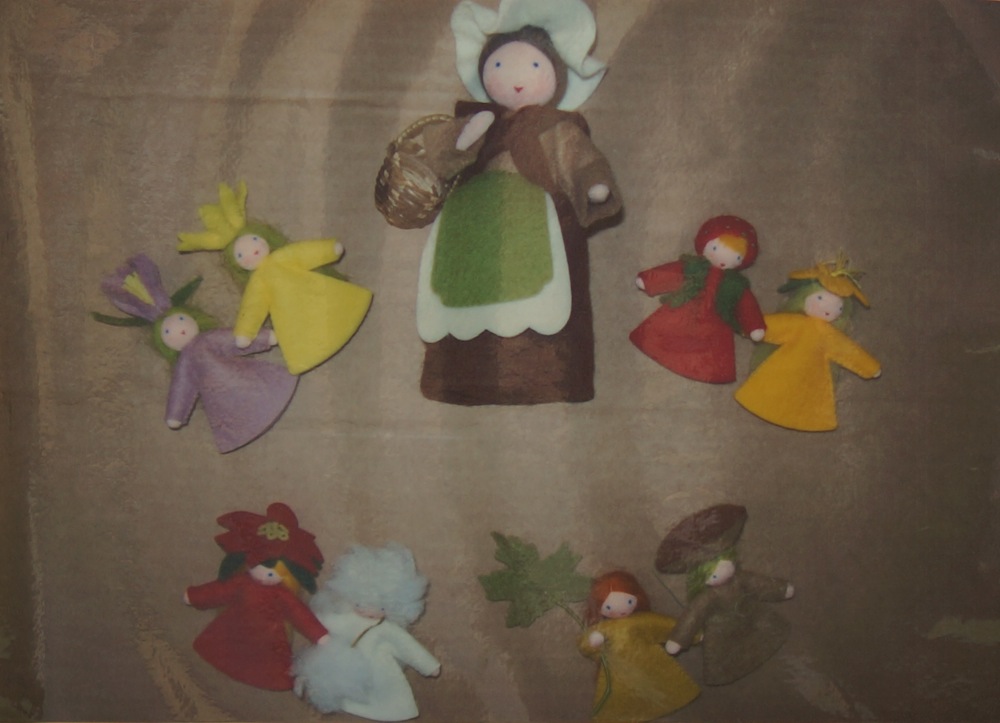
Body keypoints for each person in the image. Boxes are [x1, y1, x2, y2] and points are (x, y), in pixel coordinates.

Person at [403, 0, 622, 405]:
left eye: (534, 65)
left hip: (540, 225)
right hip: (473, 225)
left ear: (555, 74)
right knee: (462, 297)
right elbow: (439, 153)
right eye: (500, 65)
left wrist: (594, 183)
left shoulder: (558, 129)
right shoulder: (476, 120)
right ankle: (461, 377)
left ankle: (548, 376)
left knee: (549, 302)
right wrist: (466, 136)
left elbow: (580, 159)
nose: (516, 78)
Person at [734, 255, 880, 431]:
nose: (827, 309)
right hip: (781, 374)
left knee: (804, 399)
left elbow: (849, 352)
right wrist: (750, 326)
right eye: (820, 299)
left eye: (838, 306)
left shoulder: (831, 336)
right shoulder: (797, 324)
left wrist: (869, 367)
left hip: (811, 379)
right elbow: (773, 325)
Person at [629, 215, 765, 383]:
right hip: (684, 311)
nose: (723, 260)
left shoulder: (735, 285)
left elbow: (747, 306)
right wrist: (650, 280)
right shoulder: (694, 267)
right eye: (715, 248)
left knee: (709, 352)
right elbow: (673, 272)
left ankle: (701, 367)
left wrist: (754, 326)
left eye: (737, 257)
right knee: (666, 333)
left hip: (715, 323)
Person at [577, 571, 699, 721]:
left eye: (628, 602)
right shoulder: (603, 629)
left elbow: (667, 626)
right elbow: (584, 645)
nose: (621, 609)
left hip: (649, 664)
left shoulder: (642, 621)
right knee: (621, 696)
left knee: (659, 689)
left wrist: (694, 635)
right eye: (608, 606)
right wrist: (593, 641)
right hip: (618, 672)